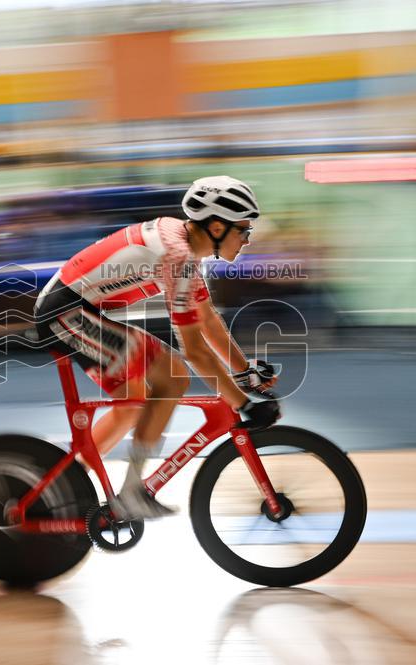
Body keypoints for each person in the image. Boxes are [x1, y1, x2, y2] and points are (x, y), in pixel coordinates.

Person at [33, 176, 281, 519]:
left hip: (72, 308)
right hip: (66, 312)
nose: (247, 240)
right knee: (173, 374)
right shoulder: (178, 255)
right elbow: (194, 349)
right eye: (243, 231)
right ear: (216, 226)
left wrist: (244, 372)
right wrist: (243, 403)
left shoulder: (182, 245)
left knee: (132, 407)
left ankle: (62, 487)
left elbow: (207, 320)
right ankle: (132, 492)